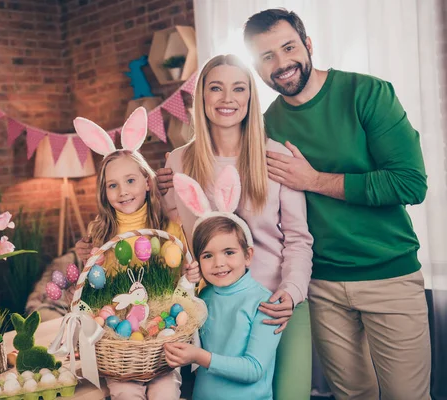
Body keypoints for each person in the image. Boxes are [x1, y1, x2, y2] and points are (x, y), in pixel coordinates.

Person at [243, 8, 431, 400]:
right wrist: (170, 180)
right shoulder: (265, 127)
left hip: (389, 276)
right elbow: (230, 178)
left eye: (288, 47)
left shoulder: (368, 93)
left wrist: (313, 181)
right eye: (267, 57)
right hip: (321, 285)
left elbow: (411, 183)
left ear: (308, 45)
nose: (281, 64)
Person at [155, 54, 314, 399]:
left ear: (250, 97)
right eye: (216, 88)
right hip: (215, 310)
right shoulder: (177, 162)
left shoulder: (276, 158)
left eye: (238, 88)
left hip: (277, 307)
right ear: (202, 98)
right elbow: (176, 238)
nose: (227, 98)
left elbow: (299, 241)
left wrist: (290, 293)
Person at [72, 107, 186, 400]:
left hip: (161, 343)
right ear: (104, 192)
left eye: (131, 181)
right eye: (113, 185)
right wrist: (84, 256)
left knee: (165, 394)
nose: (123, 192)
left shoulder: (169, 225)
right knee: (125, 394)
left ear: (147, 182)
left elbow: (183, 281)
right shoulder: (99, 231)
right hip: (120, 347)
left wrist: (191, 273)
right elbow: (93, 291)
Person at [164, 166, 281, 400]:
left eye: (229, 252)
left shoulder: (264, 302)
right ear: (198, 261)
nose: (219, 263)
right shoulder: (203, 299)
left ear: (248, 255)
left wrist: (199, 356)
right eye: (208, 255)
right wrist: (188, 284)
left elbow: (254, 369)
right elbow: (175, 314)